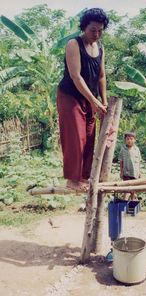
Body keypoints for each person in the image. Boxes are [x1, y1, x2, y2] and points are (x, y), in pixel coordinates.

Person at [56, 8, 109, 192]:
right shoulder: (74, 44)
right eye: (93, 30)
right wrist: (94, 101)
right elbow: (76, 76)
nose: (97, 34)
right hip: (70, 96)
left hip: (90, 97)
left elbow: (101, 76)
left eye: (100, 30)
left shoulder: (100, 47)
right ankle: (72, 179)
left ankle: (84, 177)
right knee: (75, 137)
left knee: (89, 137)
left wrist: (104, 100)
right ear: (84, 27)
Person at [119, 131, 141, 200]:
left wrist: (139, 172)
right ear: (125, 140)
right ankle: (125, 201)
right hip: (126, 173)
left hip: (135, 173)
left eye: (131, 139)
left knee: (133, 188)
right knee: (126, 188)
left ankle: (132, 201)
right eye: (127, 139)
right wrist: (121, 172)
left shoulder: (136, 149)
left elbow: (139, 161)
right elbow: (121, 161)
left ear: (134, 139)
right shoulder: (123, 150)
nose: (129, 141)